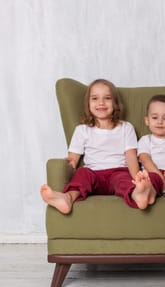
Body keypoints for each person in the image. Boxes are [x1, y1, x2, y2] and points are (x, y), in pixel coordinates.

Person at [40, 79, 156, 214]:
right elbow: (73, 158)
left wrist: (137, 177)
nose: (101, 103)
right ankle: (67, 198)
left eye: (107, 98)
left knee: (124, 181)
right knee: (82, 174)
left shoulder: (125, 128)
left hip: (118, 171)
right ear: (88, 104)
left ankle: (138, 194)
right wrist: (70, 161)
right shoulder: (82, 130)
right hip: (93, 173)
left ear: (115, 103)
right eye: (95, 98)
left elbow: (131, 157)